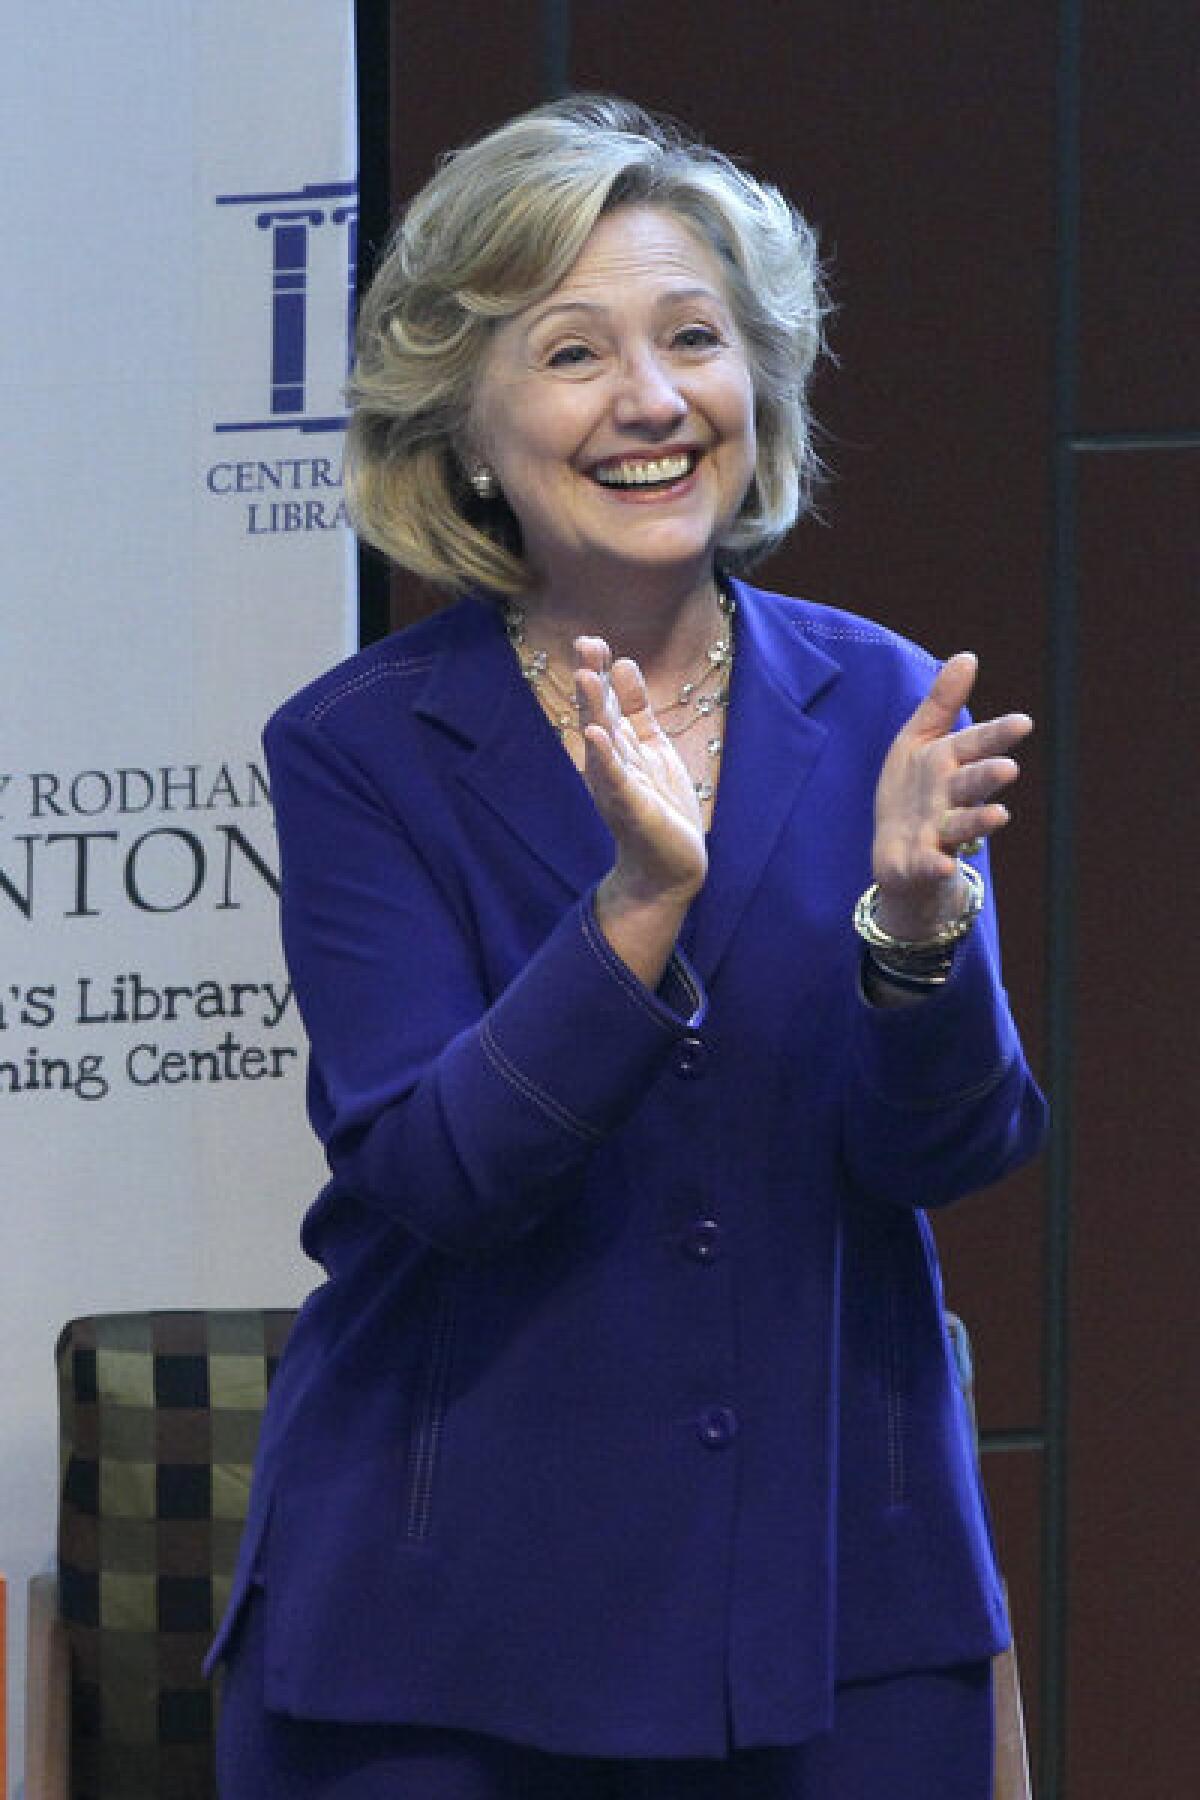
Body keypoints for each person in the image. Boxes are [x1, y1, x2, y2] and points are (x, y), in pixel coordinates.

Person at [209, 95, 1047, 1797]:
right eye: (575, 352)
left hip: (833, 1604)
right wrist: (634, 910)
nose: (653, 402)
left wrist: (910, 934)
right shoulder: (360, 747)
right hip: (442, 1626)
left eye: (694, 340)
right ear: (464, 425)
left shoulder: (883, 700)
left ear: (761, 386)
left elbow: (944, 1147)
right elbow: (435, 1170)